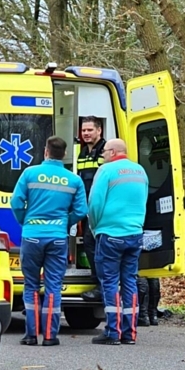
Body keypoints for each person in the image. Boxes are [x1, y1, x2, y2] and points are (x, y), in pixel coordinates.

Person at [11, 136, 87, 346]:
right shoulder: (74, 180)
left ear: (46, 151)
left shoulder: (30, 173)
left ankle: (31, 335)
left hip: (32, 235)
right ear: (64, 154)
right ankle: (50, 336)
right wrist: (63, 223)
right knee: (54, 286)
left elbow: (16, 202)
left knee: (31, 285)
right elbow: (81, 210)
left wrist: (25, 221)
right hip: (58, 237)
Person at [88, 138, 148, 345]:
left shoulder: (106, 170)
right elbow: (143, 200)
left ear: (113, 152)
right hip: (134, 233)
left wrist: (95, 227)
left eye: (104, 151)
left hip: (110, 233)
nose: (102, 154)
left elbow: (95, 203)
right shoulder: (140, 171)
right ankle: (130, 333)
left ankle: (112, 332)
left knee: (110, 282)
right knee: (130, 281)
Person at [76, 116, 105, 302]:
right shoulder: (82, 152)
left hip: (99, 207)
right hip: (86, 206)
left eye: (90, 130)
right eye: (83, 130)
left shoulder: (105, 151)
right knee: (89, 244)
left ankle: (101, 285)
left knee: (93, 243)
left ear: (99, 130)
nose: (86, 133)